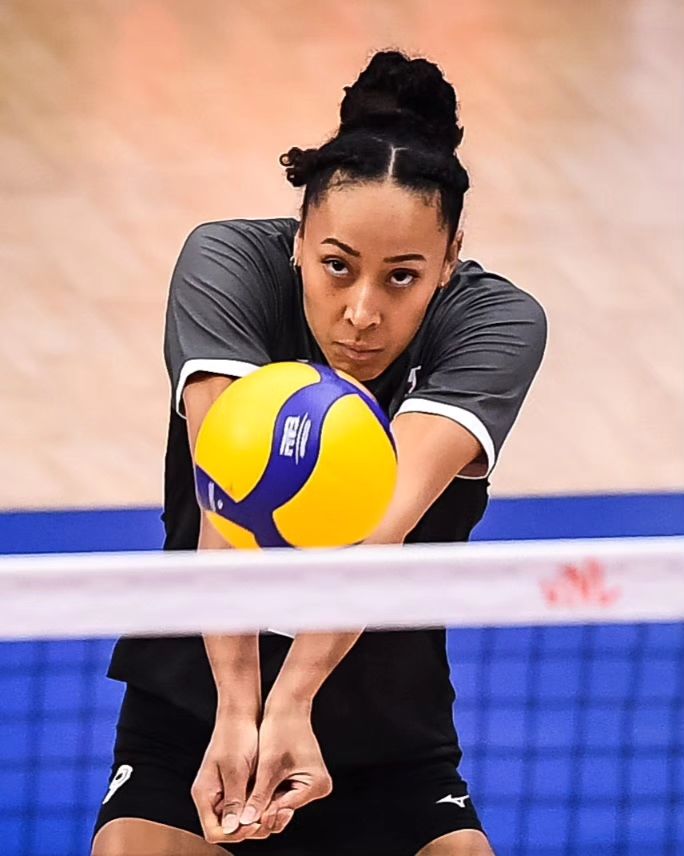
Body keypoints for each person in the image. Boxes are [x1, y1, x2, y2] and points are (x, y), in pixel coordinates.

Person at [92, 50, 546, 856]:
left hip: (387, 729)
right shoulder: (227, 266)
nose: (362, 313)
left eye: (402, 277)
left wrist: (291, 700)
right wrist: (240, 708)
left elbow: (377, 524)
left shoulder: (494, 325)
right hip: (193, 703)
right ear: (299, 237)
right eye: (337, 266)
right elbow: (228, 504)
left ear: (449, 261)